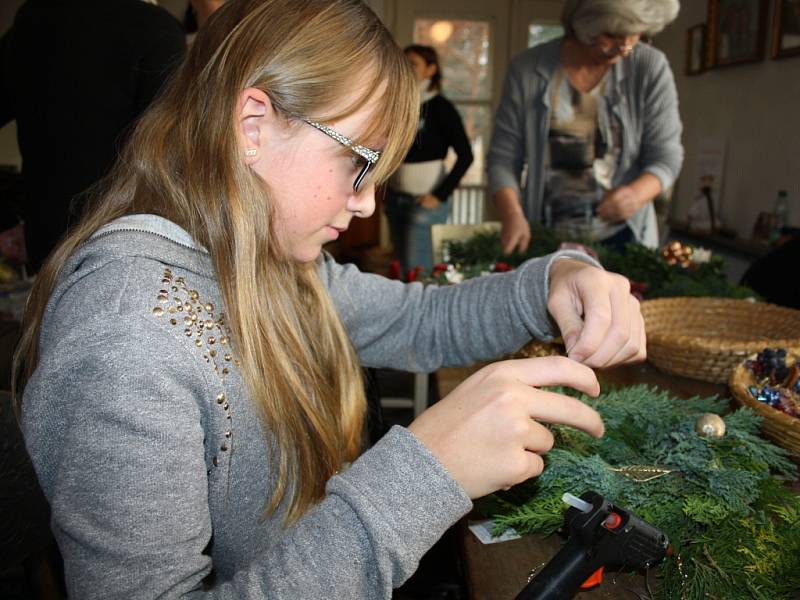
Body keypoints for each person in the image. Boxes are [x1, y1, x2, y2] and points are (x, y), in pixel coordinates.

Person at [13, 1, 645, 597]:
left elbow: (419, 318)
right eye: (358, 162)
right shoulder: (128, 338)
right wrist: (427, 472)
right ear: (253, 126)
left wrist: (554, 278)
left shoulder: (269, 258)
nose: (368, 201)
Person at [0, 0, 187, 272]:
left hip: (51, 246)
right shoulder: (153, 29)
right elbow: (172, 160)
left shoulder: (33, 19)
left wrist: (4, 221)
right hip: (129, 250)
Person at [488, 0, 684, 254]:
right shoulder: (526, 69)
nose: (625, 47)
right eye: (611, 35)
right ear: (584, 25)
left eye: (635, 35)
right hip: (545, 238)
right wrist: (513, 215)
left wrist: (636, 195)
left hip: (624, 238)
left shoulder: (649, 67)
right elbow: (503, 158)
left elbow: (667, 156)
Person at [384, 44, 473, 273]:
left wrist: (439, 195)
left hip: (425, 205)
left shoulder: (442, 108)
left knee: (418, 272)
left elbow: (466, 156)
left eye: (413, 64)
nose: (406, 68)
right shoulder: (398, 106)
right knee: (400, 270)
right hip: (395, 200)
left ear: (431, 69)